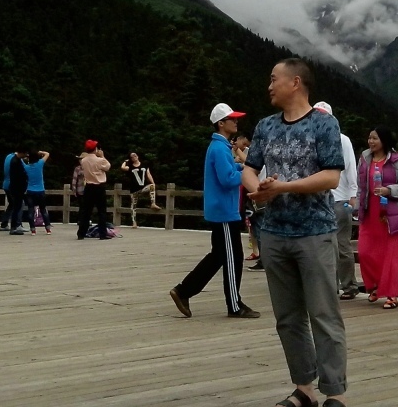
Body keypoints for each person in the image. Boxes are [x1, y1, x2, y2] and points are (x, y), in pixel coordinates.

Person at [243, 59, 348, 407]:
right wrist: (258, 188)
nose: (269, 86)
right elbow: (249, 168)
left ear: (296, 82)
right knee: (287, 318)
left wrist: (282, 187)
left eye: (274, 79)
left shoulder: (324, 124)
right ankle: (304, 390)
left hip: (315, 232)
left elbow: (332, 176)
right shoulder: (265, 126)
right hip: (273, 232)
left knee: (323, 314)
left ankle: (335, 393)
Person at [170, 103, 259, 320]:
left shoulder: (220, 147)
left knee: (219, 256)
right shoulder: (219, 148)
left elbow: (229, 171)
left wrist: (241, 168)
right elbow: (227, 179)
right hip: (224, 213)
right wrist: (247, 175)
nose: (236, 122)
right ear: (221, 123)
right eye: (232, 119)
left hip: (221, 211)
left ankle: (183, 291)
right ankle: (234, 305)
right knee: (233, 258)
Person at [356, 125, 398, 309]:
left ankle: (391, 294)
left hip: (390, 215)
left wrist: (389, 190)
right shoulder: (365, 159)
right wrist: (357, 206)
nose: (371, 142)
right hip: (369, 213)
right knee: (365, 252)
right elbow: (360, 186)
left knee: (390, 256)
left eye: (375, 138)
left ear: (384, 141)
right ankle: (374, 286)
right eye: (369, 138)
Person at [313, 102, 360, 301]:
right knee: (321, 245)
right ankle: (332, 286)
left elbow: (351, 168)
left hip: (339, 199)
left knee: (340, 244)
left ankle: (347, 285)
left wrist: (353, 194)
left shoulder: (342, 140)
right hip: (318, 199)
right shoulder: (312, 138)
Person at [76, 140, 110, 240]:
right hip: (99, 186)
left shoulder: (83, 160)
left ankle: (81, 233)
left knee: (86, 211)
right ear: (95, 149)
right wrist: (102, 156)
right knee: (102, 211)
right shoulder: (100, 160)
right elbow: (107, 167)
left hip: (89, 186)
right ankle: (102, 234)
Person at [121, 152, 162, 228]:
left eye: (135, 155)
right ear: (131, 159)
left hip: (142, 188)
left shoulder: (144, 165)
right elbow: (123, 168)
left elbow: (148, 174)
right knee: (133, 206)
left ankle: (153, 203)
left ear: (137, 156)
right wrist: (125, 161)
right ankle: (134, 223)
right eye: (132, 157)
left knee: (152, 186)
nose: (134, 157)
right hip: (134, 189)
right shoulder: (130, 167)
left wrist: (153, 183)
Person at [23, 149, 52, 234]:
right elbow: (47, 153)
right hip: (40, 190)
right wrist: (40, 152)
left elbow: (20, 160)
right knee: (43, 210)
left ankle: (33, 229)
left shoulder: (26, 167)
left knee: (30, 210)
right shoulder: (40, 164)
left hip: (30, 190)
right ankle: (48, 229)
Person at [7, 150, 30, 235]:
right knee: (16, 207)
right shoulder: (15, 162)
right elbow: (19, 176)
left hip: (16, 187)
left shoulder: (16, 160)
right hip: (17, 188)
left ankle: (15, 226)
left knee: (17, 207)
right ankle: (14, 227)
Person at [0, 148, 17, 232]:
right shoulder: (16, 159)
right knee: (17, 204)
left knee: (11, 205)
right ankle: (17, 225)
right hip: (12, 185)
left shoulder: (8, 156)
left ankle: (4, 223)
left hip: (6, 184)